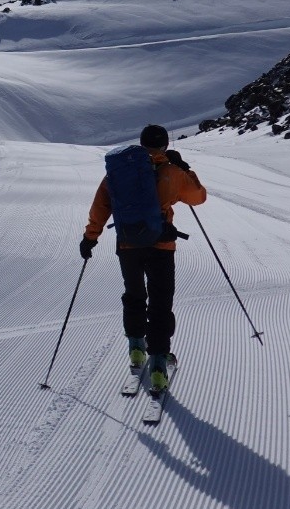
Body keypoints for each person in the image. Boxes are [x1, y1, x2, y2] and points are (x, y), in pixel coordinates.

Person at [79, 124, 206, 393]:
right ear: (164, 145)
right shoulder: (171, 170)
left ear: (141, 142)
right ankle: (159, 365)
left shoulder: (119, 171)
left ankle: (136, 352)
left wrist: (90, 238)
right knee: (161, 302)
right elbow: (198, 197)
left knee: (134, 295)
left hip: (127, 245)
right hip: (161, 246)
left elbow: (100, 206)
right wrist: (184, 169)